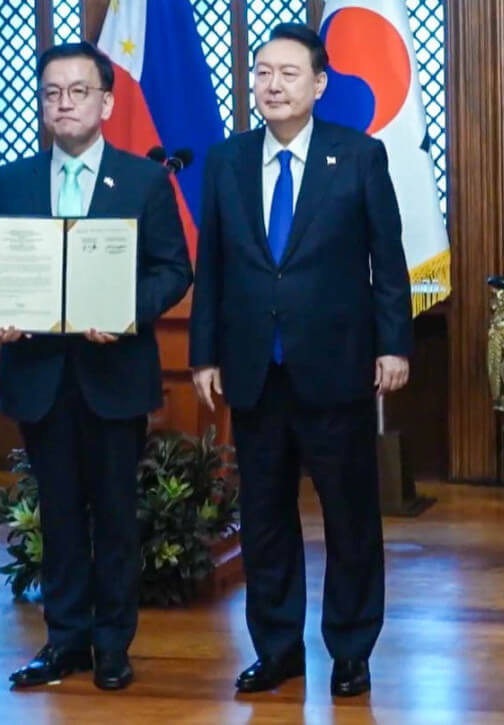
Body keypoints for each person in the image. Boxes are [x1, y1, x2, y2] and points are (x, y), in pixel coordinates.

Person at [189, 23, 412, 697]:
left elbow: (388, 260)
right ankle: (277, 646)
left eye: (288, 73)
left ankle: (349, 647)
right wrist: (203, 355)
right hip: (256, 369)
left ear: (318, 85)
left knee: (348, 515)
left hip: (337, 366)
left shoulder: (359, 155)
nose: (272, 84)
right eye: (262, 72)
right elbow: (216, 267)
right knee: (263, 519)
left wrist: (393, 342)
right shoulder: (226, 161)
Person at [0, 42, 192, 690]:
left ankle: (113, 643)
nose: (64, 103)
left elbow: (174, 268)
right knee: (56, 514)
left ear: (106, 101)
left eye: (78, 91)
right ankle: (64, 641)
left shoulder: (143, 180)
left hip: (114, 375)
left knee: (113, 514)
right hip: (38, 374)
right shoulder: (12, 180)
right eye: (52, 92)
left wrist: (124, 309)